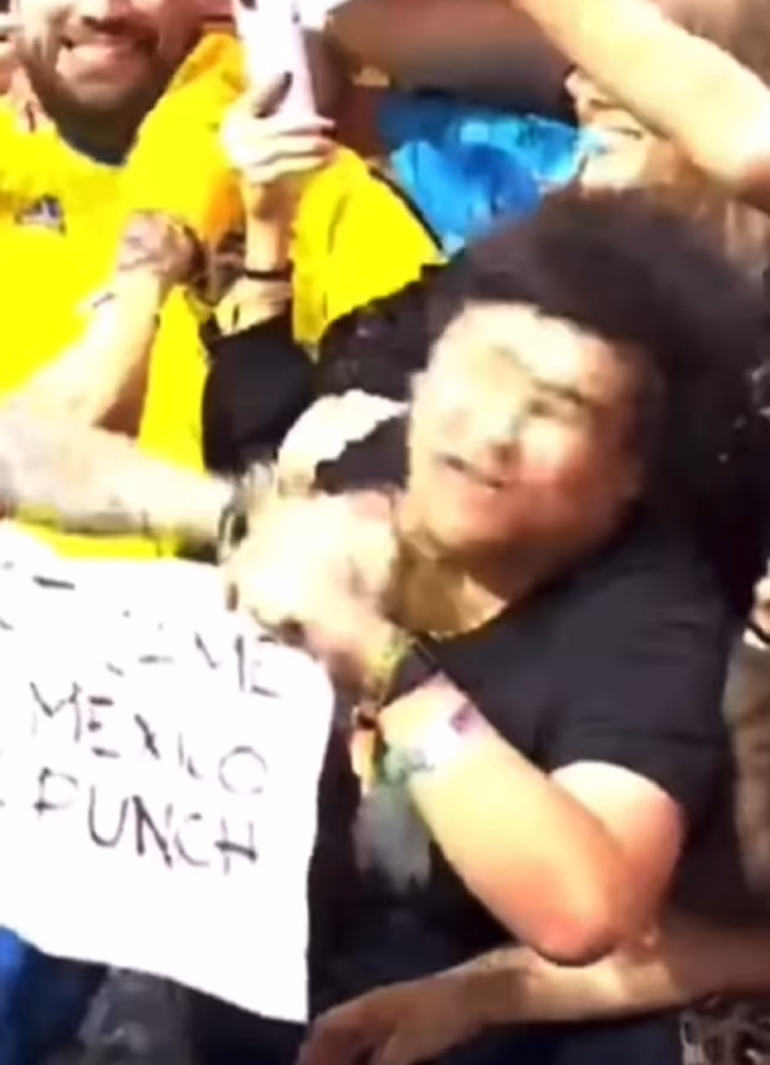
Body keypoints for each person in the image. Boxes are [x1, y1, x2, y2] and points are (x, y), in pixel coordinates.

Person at [193, 188, 770, 1065]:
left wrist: (381, 661)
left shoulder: (651, 622)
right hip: (285, 974)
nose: (495, 430)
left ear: (632, 470)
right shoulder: (378, 466)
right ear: (423, 374)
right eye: (482, 371)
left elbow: (583, 908)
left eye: (561, 408)